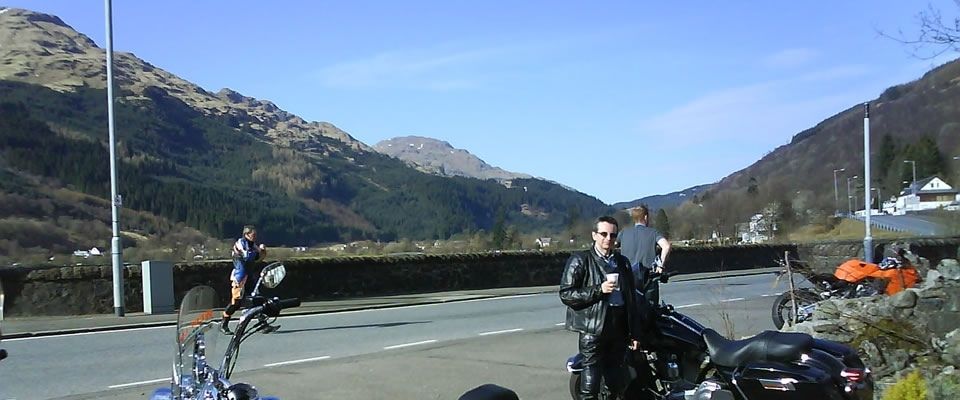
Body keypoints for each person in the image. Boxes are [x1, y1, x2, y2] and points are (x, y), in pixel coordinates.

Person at [560, 216, 641, 400]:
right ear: (594, 235)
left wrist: (635, 333)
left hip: (619, 329)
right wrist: (599, 290)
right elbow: (566, 294)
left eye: (612, 235)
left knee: (615, 384)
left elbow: (631, 300)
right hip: (593, 329)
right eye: (603, 234)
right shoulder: (580, 260)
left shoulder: (623, 262)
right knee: (590, 385)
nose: (608, 239)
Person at [220, 225, 274, 335]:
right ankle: (224, 324)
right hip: (240, 277)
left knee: (256, 299)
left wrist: (262, 252)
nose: (255, 237)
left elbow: (258, 259)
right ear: (246, 235)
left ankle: (263, 325)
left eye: (255, 235)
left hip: (249, 276)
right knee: (236, 303)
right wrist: (259, 251)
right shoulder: (240, 244)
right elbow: (248, 256)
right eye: (252, 235)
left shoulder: (253, 245)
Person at [617, 205, 671, 306]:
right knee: (650, 312)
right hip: (648, 279)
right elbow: (666, 246)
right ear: (646, 217)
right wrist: (660, 266)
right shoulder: (653, 233)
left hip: (628, 278)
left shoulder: (623, 233)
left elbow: (612, 246)